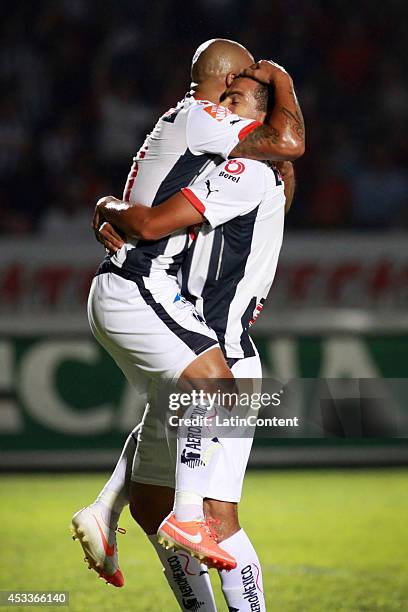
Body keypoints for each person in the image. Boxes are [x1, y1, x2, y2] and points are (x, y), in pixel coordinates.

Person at [72, 37, 304, 590]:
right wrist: (112, 211)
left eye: (253, 96)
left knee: (168, 505)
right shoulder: (208, 124)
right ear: (224, 89)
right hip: (154, 299)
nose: (240, 104)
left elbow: (282, 151)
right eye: (243, 86)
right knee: (207, 407)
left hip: (189, 324)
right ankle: (184, 514)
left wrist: (109, 207)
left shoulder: (236, 163)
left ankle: (109, 510)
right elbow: (287, 142)